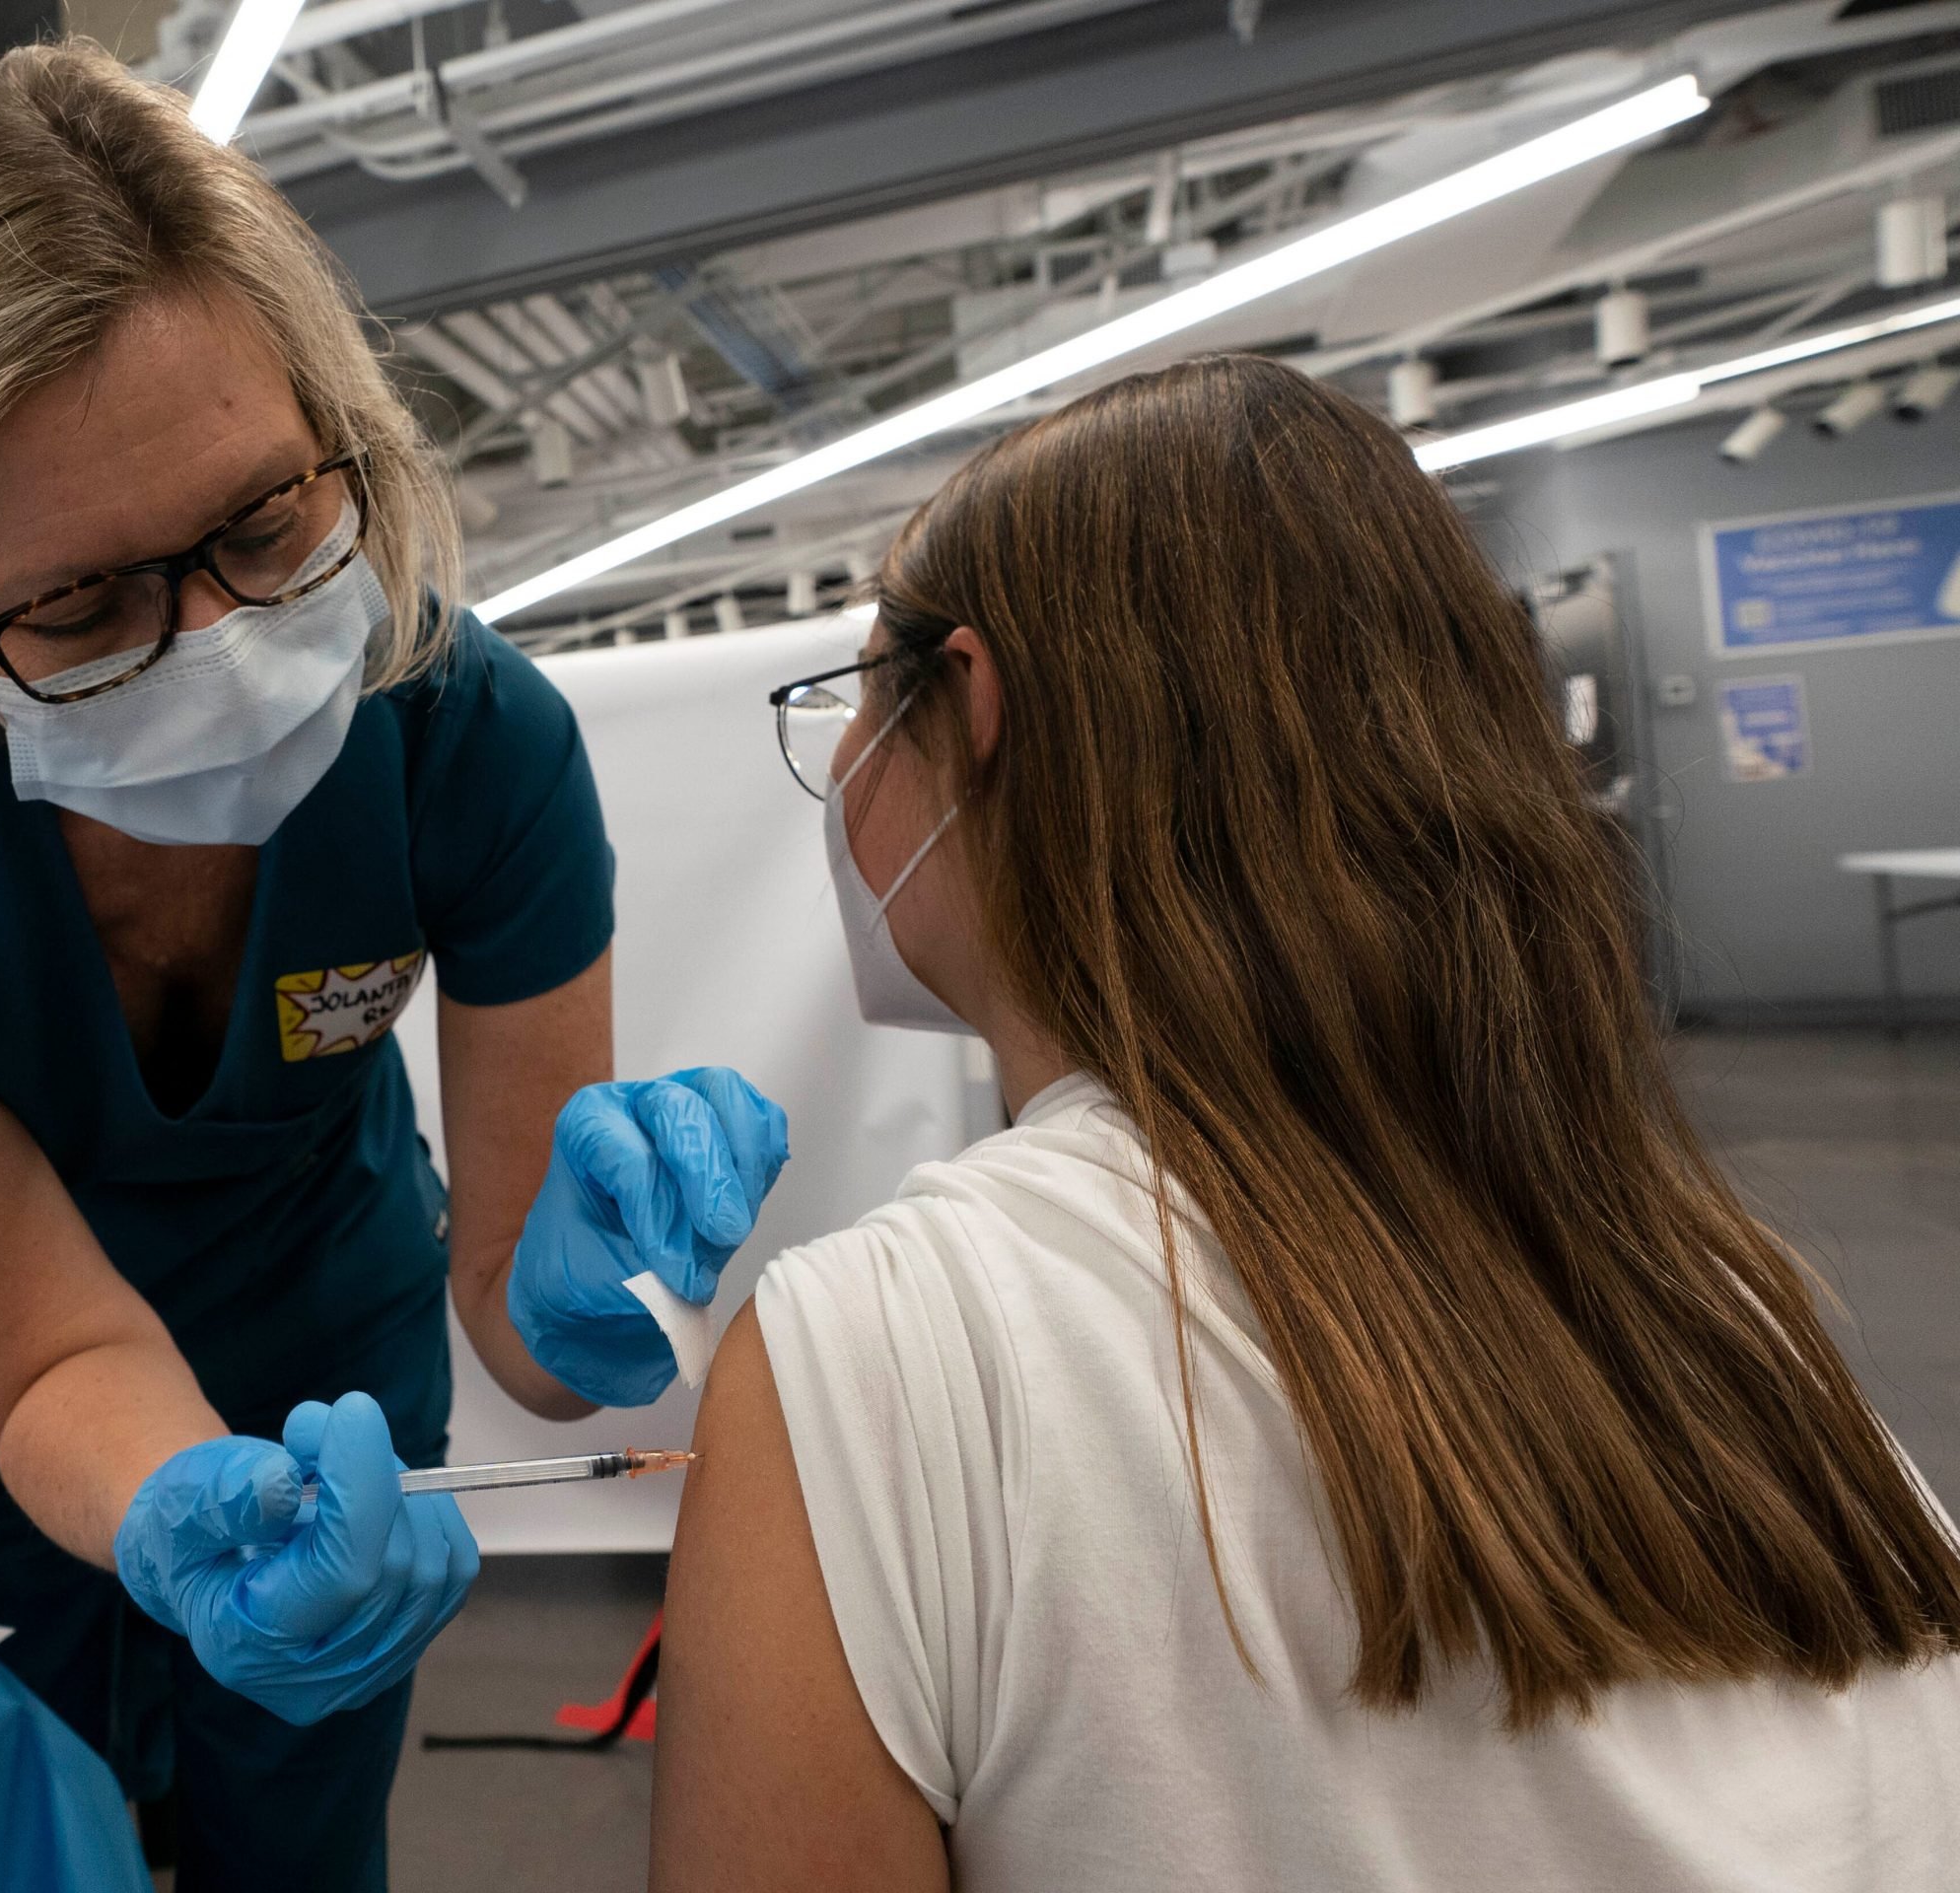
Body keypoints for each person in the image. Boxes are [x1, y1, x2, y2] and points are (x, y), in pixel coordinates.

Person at [0, 43, 783, 1892]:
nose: (231, 645)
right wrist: (165, 1496)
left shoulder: (466, 736)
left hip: (323, 1389)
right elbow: (42, 1364)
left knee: (299, 1841)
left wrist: (575, 1295)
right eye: (85, 608)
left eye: (269, 519)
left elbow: (520, 1309)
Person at [654, 354, 1960, 1890]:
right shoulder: (1722, 1306)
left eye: (856, 701)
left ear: (973, 706)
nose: (845, 771)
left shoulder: (876, 1352)